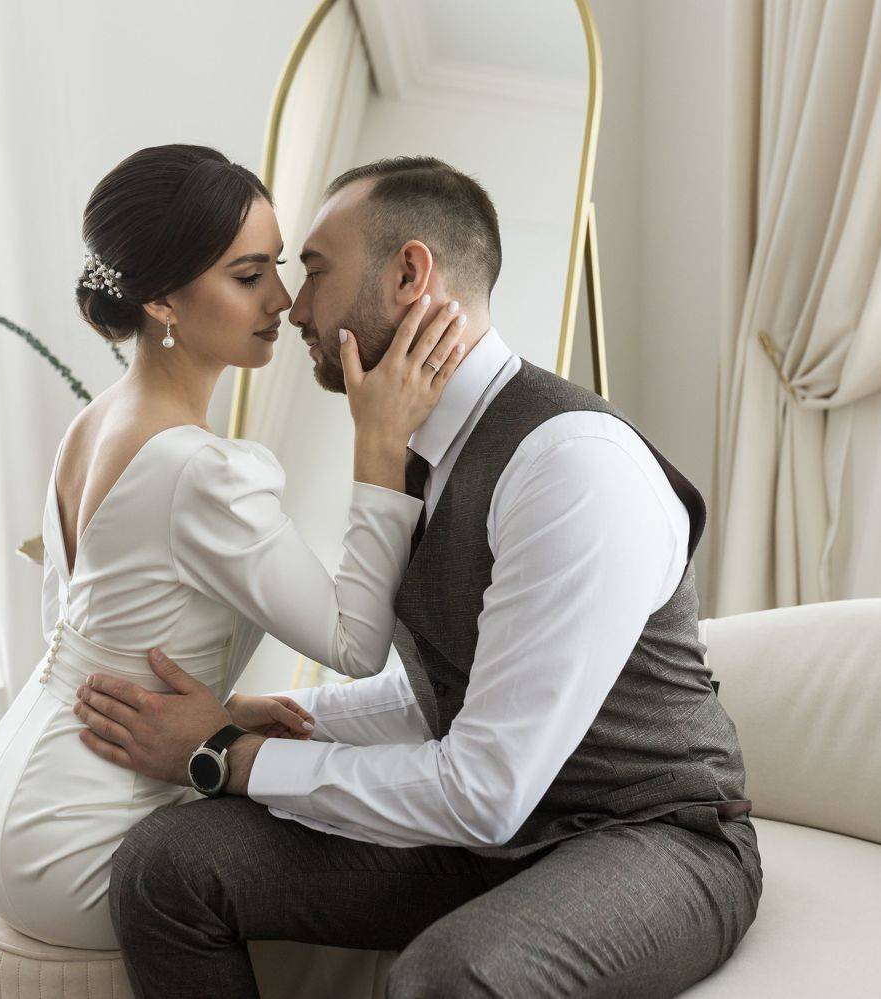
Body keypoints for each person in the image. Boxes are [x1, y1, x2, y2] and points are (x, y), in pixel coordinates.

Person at [74, 156, 764, 998]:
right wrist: (266, 716)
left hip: (648, 836)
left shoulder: (572, 466)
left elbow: (483, 787)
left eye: (315, 272)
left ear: (408, 275)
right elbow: (441, 693)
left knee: (447, 978)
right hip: (492, 832)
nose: (295, 307)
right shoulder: (418, 451)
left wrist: (228, 753)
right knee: (166, 865)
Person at [0, 143, 466, 951]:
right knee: (388, 842)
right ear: (162, 300)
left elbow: (94, 633)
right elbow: (355, 643)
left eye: (278, 267)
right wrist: (379, 441)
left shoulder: (93, 424)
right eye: (248, 276)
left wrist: (220, 713)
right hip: (81, 848)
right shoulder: (200, 469)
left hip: (13, 801)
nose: (283, 300)